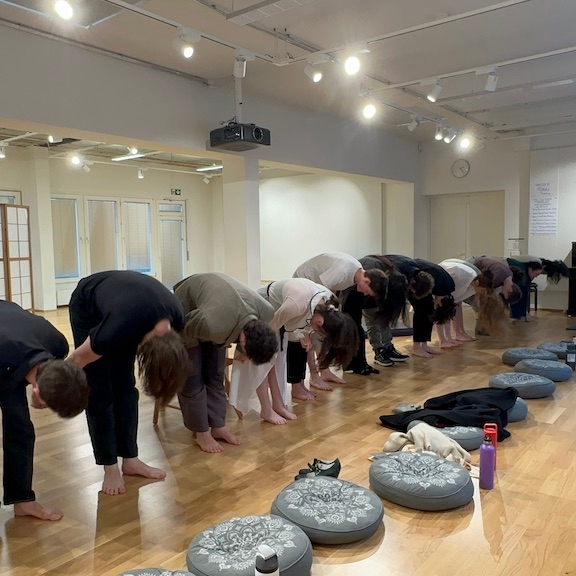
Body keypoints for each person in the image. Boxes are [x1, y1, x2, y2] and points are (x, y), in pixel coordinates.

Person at [67, 270, 189, 496]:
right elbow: (76, 360)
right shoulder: (116, 328)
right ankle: (110, 467)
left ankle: (131, 459)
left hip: (128, 304)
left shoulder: (178, 318)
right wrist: (44, 389)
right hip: (88, 304)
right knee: (100, 390)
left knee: (125, 388)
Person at [0, 299, 89, 521]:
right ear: (39, 390)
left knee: (20, 428)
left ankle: (23, 501)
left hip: (11, 351)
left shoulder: (57, 344)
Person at [173, 273, 279, 453]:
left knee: (215, 374)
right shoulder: (212, 324)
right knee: (193, 378)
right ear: (243, 341)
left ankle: (218, 426)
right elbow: (185, 331)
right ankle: (201, 432)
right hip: (185, 311)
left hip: (219, 309)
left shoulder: (267, 311)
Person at [229, 278, 358, 420]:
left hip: (277, 315)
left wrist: (303, 335)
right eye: (318, 331)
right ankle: (266, 409)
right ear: (321, 322)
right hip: (263, 309)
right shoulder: (298, 304)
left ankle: (277, 405)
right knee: (264, 362)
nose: (315, 332)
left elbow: (300, 323)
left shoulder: (325, 305)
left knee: (274, 360)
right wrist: (248, 351)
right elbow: (268, 330)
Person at [291, 252, 389, 391]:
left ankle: (324, 371)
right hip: (303, 284)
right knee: (313, 333)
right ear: (367, 282)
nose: (366, 295)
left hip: (315, 290)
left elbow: (330, 292)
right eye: (369, 292)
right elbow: (317, 293)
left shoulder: (355, 272)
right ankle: (314, 376)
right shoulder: (343, 271)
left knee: (322, 332)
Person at [361, 254, 434, 368]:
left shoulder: (407, 270)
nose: (409, 290)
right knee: (373, 321)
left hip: (379, 288)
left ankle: (388, 347)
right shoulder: (400, 272)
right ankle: (379, 351)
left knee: (384, 319)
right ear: (413, 282)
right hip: (371, 288)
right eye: (411, 289)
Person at [386, 258, 456, 358]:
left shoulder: (447, 287)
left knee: (427, 310)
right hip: (413, 278)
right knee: (421, 311)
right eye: (437, 306)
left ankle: (424, 344)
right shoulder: (442, 286)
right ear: (440, 304)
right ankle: (417, 347)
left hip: (417, 275)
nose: (436, 306)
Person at [437, 259, 506, 347]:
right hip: (443, 279)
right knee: (443, 309)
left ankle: (450, 337)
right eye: (482, 290)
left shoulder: (474, 281)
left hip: (448, 278)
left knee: (450, 308)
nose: (481, 292)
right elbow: (448, 297)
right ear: (478, 283)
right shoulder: (465, 278)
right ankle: (443, 340)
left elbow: (456, 299)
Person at [504, 256, 569, 321]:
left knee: (523, 290)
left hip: (513, 267)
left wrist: (524, 313)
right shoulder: (536, 263)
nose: (538, 275)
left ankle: (519, 315)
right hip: (509, 266)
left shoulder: (538, 264)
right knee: (520, 290)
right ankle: (517, 315)